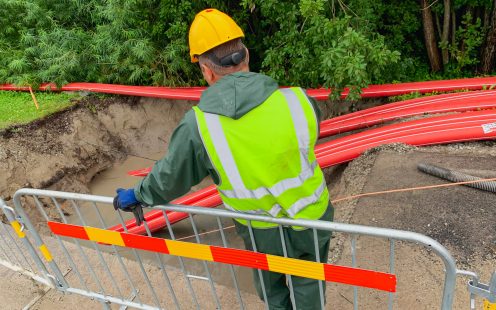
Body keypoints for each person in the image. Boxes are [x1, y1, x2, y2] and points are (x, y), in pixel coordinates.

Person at [113, 8, 334, 310]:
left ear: (207, 70)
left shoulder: (199, 126)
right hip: (313, 218)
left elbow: (171, 176)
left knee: (272, 291)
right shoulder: (298, 100)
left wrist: (138, 194)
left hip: (261, 229)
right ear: (246, 55)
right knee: (309, 284)